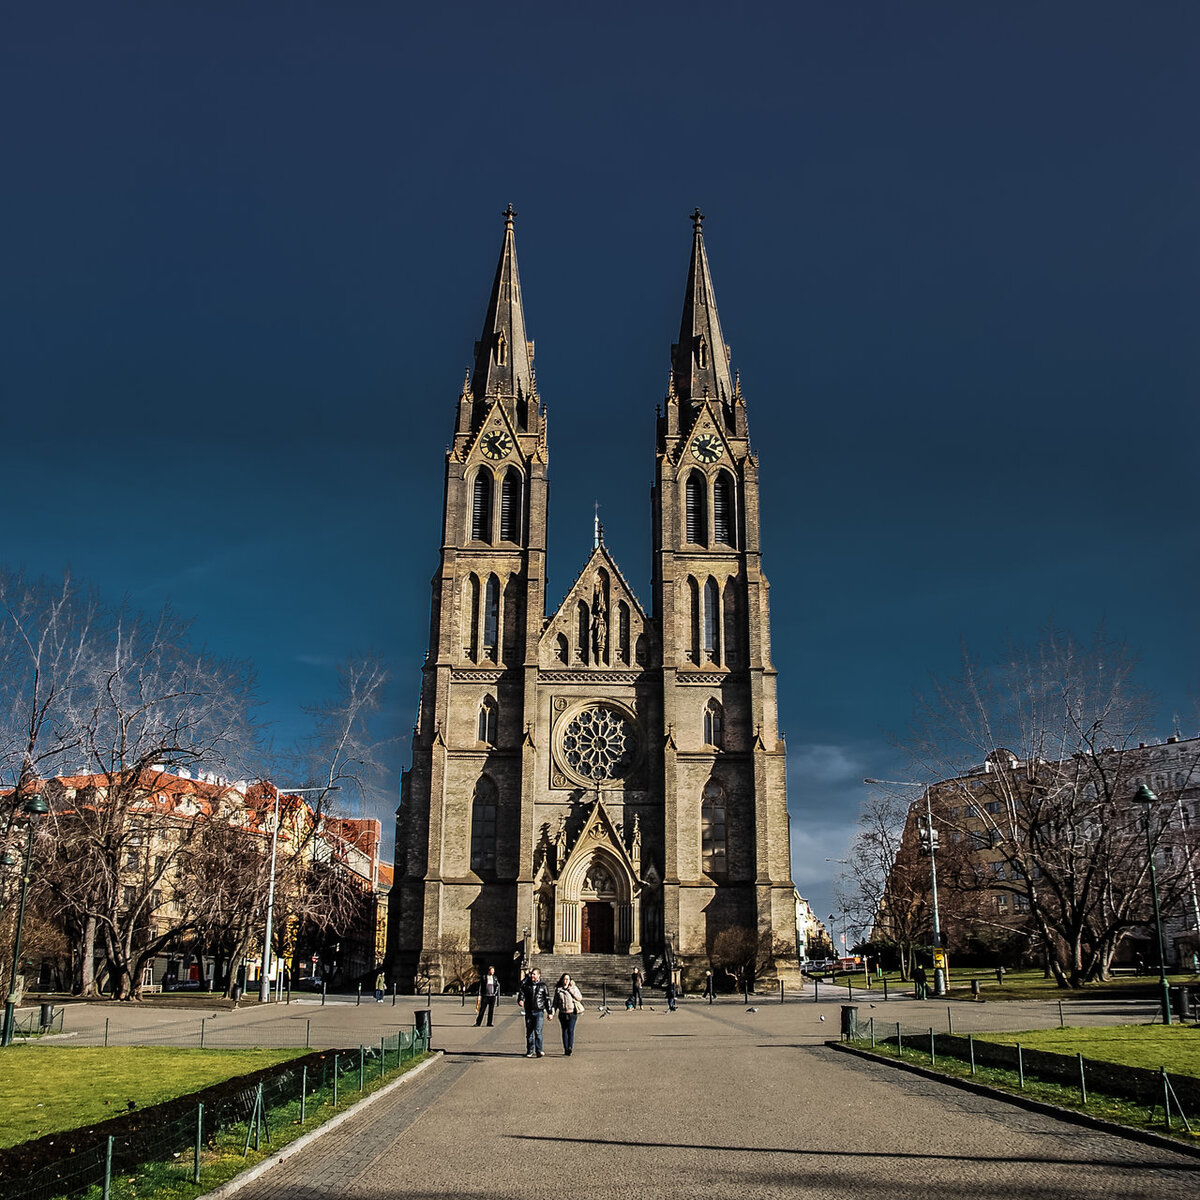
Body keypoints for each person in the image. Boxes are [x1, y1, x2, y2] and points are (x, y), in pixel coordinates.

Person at [517, 967, 553, 1057]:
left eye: (534, 974)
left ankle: (539, 1050)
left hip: (539, 1011)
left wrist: (550, 1012)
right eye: (531, 974)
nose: (532, 976)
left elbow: (547, 999)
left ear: (539, 975)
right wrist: (520, 1000)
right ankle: (530, 1050)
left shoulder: (543, 986)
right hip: (529, 1011)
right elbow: (521, 993)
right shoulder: (526, 984)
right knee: (529, 1032)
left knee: (538, 1031)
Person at [553, 972, 585, 1056]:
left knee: (570, 1030)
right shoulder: (558, 989)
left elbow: (580, 998)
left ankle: (570, 1047)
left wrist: (571, 991)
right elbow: (555, 1003)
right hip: (562, 1013)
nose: (566, 981)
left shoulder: (573, 988)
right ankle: (566, 1048)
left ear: (570, 980)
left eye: (567, 979)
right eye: (564, 979)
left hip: (572, 1013)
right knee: (564, 1031)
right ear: (562, 980)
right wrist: (552, 1012)